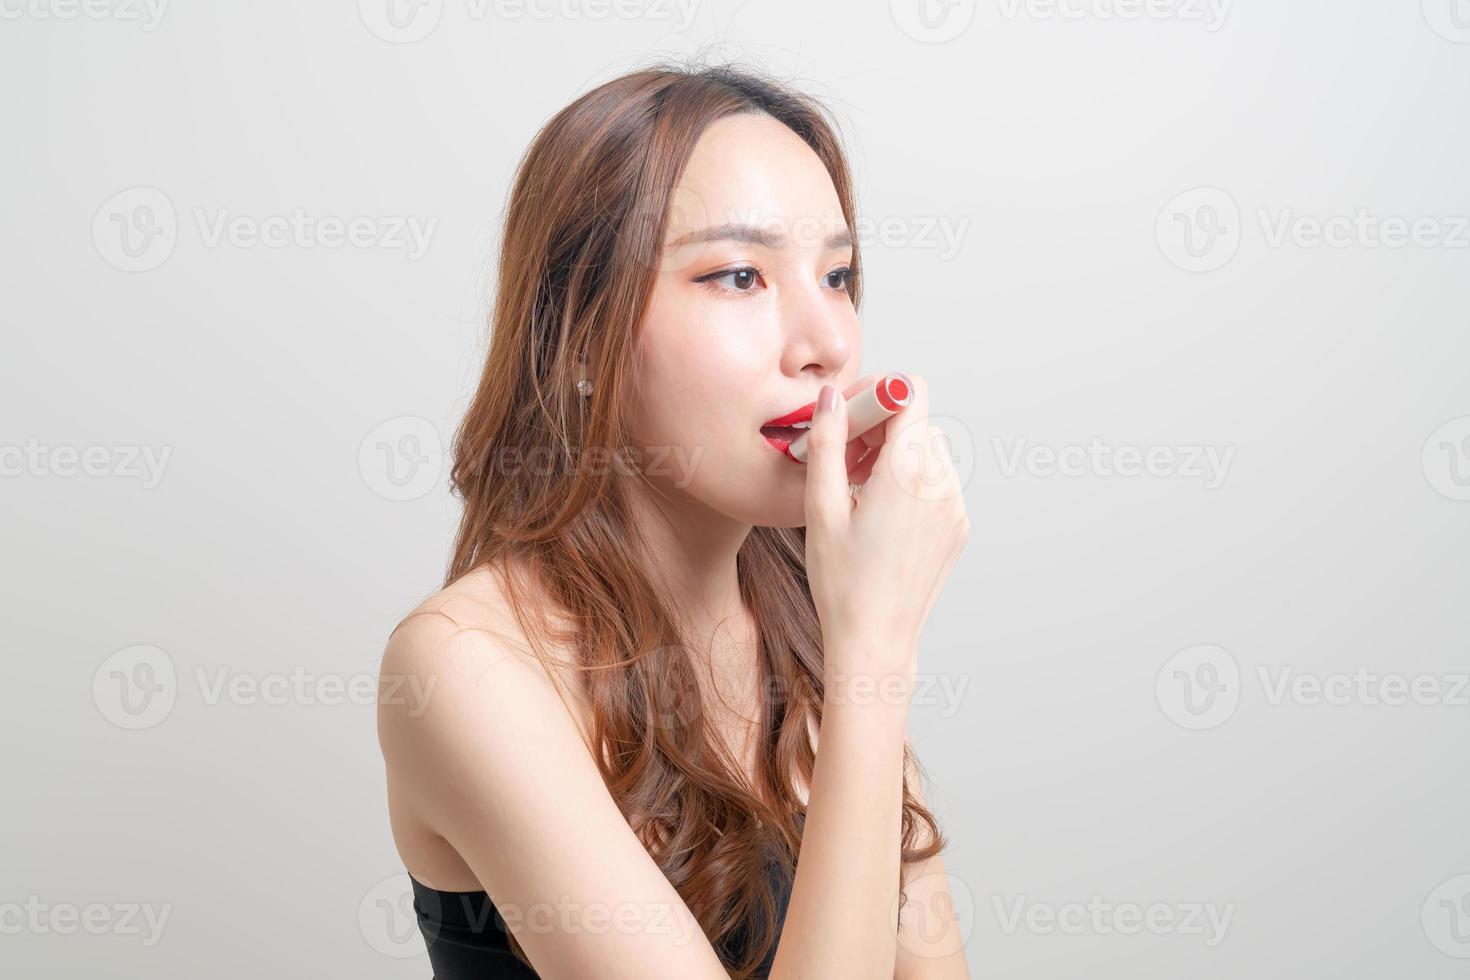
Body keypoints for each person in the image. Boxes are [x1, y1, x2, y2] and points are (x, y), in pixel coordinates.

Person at [376, 59, 971, 979]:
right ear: (583, 337)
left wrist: (863, 654)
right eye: (739, 276)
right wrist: (875, 664)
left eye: (839, 276)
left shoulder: (814, 618)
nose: (826, 345)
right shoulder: (464, 667)